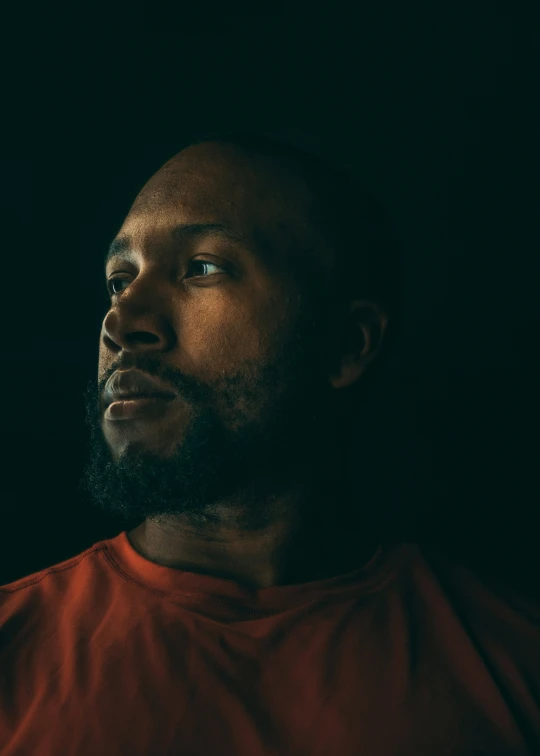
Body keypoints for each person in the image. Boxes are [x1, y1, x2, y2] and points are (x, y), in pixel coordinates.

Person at [0, 133, 538, 755]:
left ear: (348, 344)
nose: (122, 324)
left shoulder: (512, 668)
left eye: (202, 268)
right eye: (119, 282)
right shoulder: (15, 650)